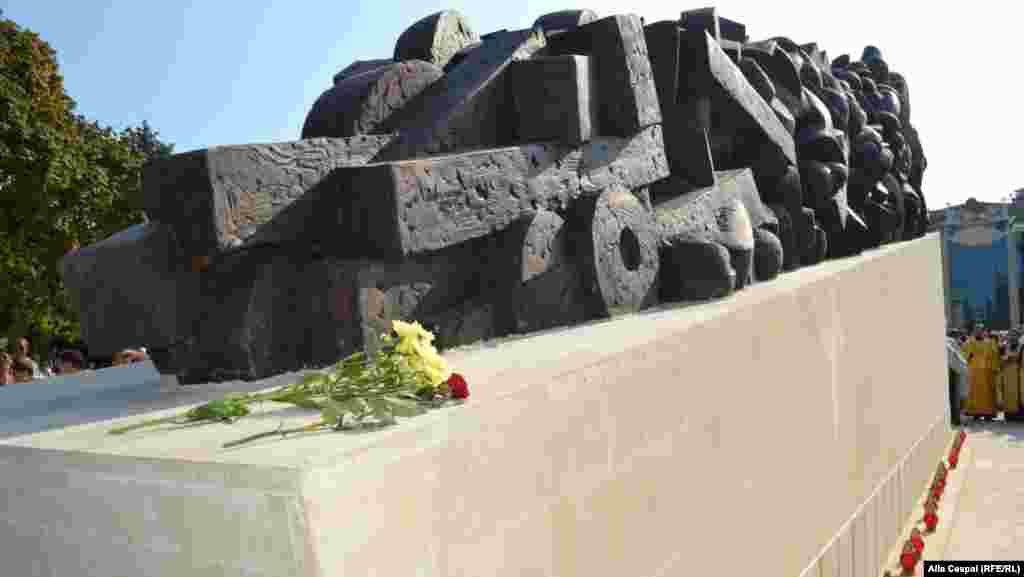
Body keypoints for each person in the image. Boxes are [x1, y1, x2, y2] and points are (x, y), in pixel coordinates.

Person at [962, 326, 999, 421]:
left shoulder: (990, 342)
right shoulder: (968, 343)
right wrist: (969, 355)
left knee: (988, 392)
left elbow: (995, 355)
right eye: (976, 331)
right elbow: (963, 355)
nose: (978, 332)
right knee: (975, 392)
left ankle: (988, 413)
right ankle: (976, 412)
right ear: (974, 332)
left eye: (980, 331)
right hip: (974, 372)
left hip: (987, 372)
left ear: (984, 332)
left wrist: (994, 368)